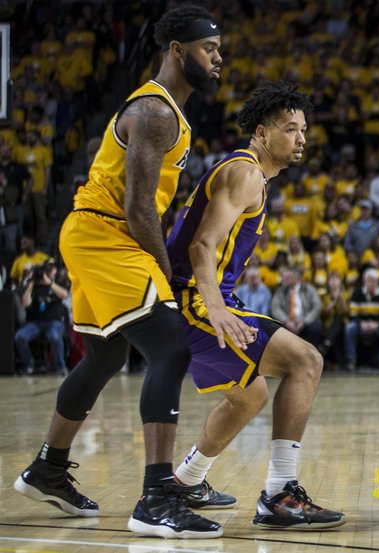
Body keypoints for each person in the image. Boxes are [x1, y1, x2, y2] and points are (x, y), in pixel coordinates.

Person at [14, 4, 224, 538]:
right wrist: (164, 266)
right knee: (171, 347)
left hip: (94, 232)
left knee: (105, 354)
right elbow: (137, 207)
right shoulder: (155, 112)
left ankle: (49, 468)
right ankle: (156, 497)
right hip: (107, 233)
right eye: (209, 49)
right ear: (177, 51)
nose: (219, 59)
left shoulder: (166, 112)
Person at [166, 82, 345, 530]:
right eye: (290, 128)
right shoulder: (245, 173)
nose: (301, 137)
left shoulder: (253, 177)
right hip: (194, 299)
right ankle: (280, 493)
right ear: (262, 132)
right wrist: (217, 309)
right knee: (306, 361)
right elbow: (202, 246)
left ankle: (187, 480)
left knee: (249, 397)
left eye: (303, 129)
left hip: (205, 297)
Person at [15, 260, 69, 375]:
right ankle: (29, 365)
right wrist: (31, 283)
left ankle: (60, 367)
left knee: (54, 336)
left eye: (52, 268)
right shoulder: (33, 283)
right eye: (47, 269)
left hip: (54, 322)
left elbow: (64, 295)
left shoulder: (58, 281)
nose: (49, 271)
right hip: (35, 322)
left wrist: (49, 283)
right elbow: (25, 304)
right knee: (20, 336)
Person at [270, 265, 323, 348]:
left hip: (305, 322)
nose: (285, 279)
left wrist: (305, 321)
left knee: (316, 327)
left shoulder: (309, 289)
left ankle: (311, 355)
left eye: (289, 277)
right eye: (284, 277)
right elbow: (275, 308)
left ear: (297, 278)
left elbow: (317, 307)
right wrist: (286, 321)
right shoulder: (280, 290)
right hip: (287, 322)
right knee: (275, 327)